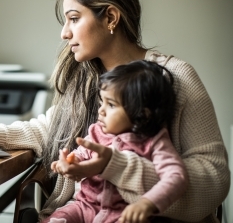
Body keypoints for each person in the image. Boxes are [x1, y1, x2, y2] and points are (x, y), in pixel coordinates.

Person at [0, 0, 230, 222]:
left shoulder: (175, 77)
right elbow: (51, 129)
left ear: (111, 17)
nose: (65, 33)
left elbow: (214, 177)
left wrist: (117, 169)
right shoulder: (85, 79)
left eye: (74, 18)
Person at [45, 60, 188, 223]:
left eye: (111, 105)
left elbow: (176, 177)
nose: (101, 111)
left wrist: (148, 203)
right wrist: (70, 161)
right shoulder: (97, 131)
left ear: (142, 114)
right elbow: (80, 154)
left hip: (124, 214)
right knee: (58, 218)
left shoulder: (155, 141)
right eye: (101, 103)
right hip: (84, 206)